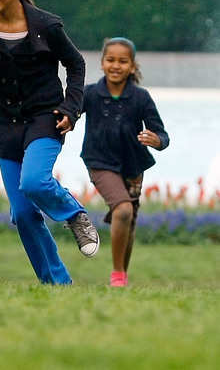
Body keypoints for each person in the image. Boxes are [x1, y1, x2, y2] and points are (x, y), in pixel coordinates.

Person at [0, 0, 99, 285]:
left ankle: (73, 213)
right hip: (6, 121)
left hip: (45, 116)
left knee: (35, 181)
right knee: (24, 213)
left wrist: (72, 107)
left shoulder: (46, 25)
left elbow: (76, 64)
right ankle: (57, 283)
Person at [81, 37, 169, 287]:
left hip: (133, 168)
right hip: (99, 162)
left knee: (127, 221)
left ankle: (122, 276)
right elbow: (69, 112)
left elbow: (162, 135)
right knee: (123, 210)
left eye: (122, 61)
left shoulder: (141, 98)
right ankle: (117, 275)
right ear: (102, 63)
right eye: (110, 60)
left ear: (132, 66)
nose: (116, 65)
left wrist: (156, 140)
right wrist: (65, 122)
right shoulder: (91, 94)